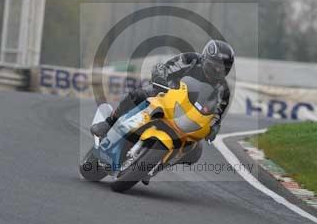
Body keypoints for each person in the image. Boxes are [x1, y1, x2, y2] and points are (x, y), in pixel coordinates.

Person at [91, 40, 235, 164]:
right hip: (168, 93)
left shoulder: (223, 90)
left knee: (196, 149)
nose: (217, 71)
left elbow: (217, 115)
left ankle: (159, 163)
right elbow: (165, 67)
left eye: (222, 68)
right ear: (205, 58)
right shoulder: (190, 59)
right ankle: (109, 122)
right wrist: (161, 78)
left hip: (189, 116)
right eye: (214, 65)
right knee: (138, 94)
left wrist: (213, 129)